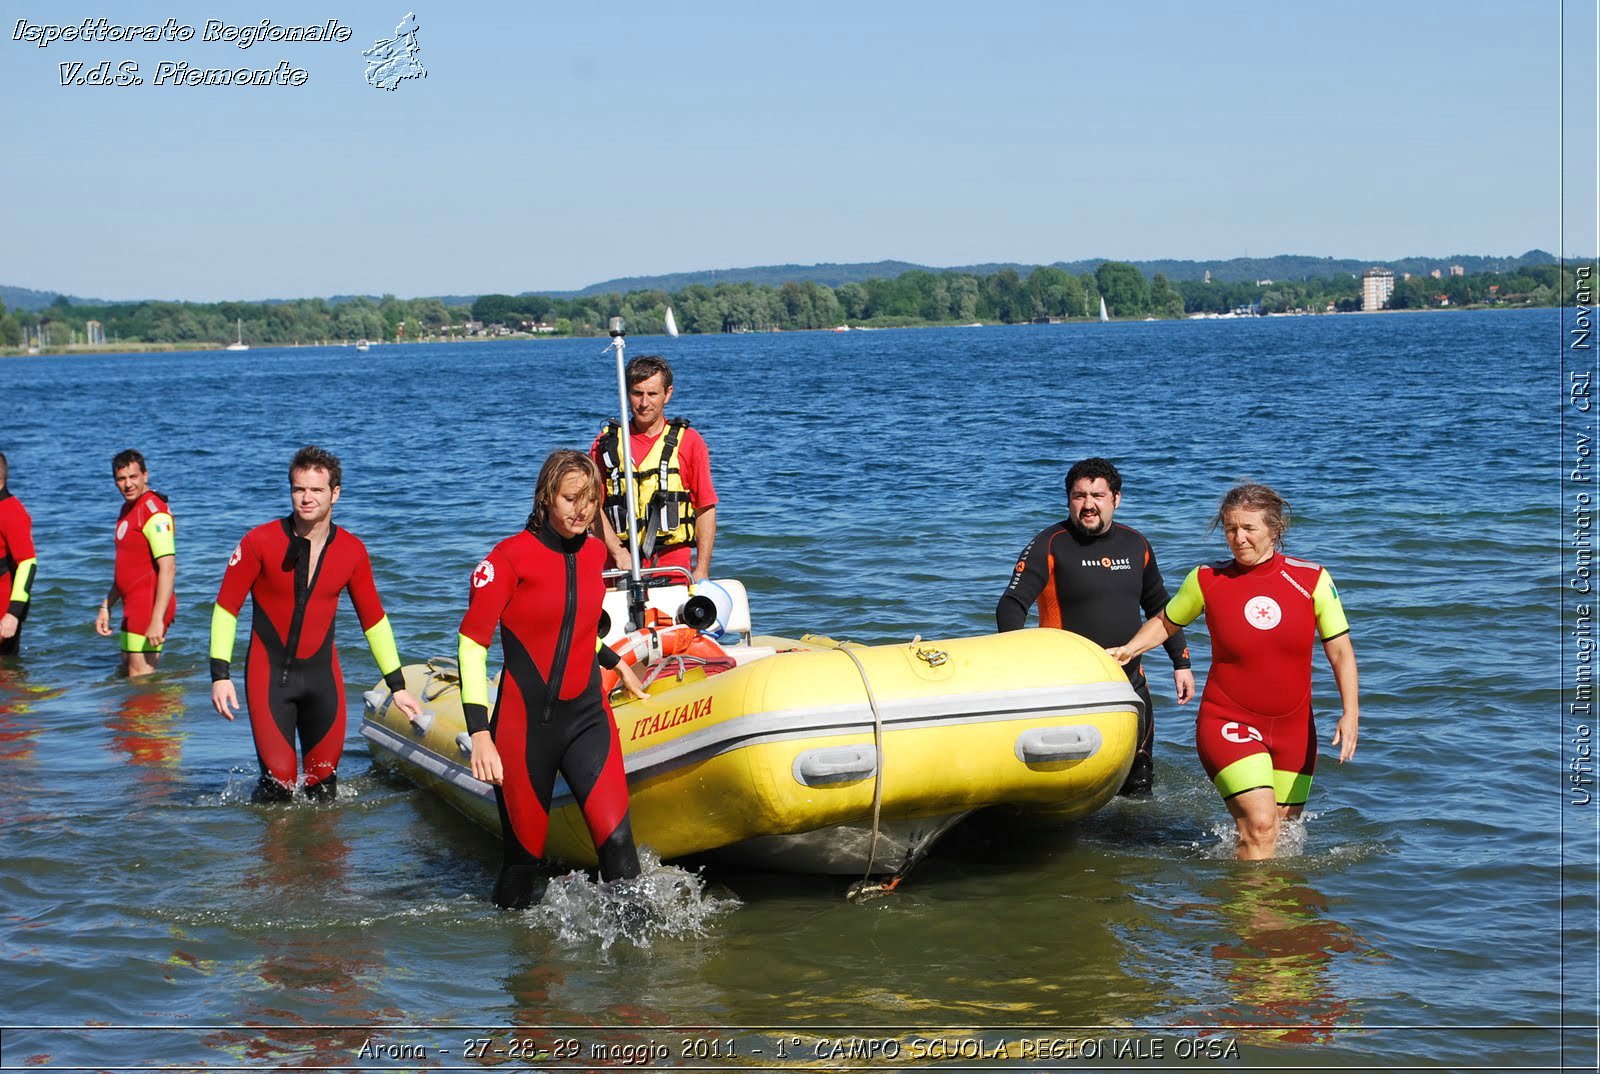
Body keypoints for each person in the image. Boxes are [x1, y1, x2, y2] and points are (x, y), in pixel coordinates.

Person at [1108, 483, 1359, 859]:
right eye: (1230, 528)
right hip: (1229, 719)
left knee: (1281, 834)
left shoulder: (1312, 580)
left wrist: (1350, 713)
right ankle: (1251, 918)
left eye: (1249, 528)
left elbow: (1340, 652)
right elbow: (1166, 621)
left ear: (1274, 530)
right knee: (1260, 825)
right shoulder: (1208, 580)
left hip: (1294, 730)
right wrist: (1130, 649)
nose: (1238, 538)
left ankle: (1258, 910)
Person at [459, 449, 648, 909]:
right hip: (525, 729)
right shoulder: (507, 559)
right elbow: (471, 644)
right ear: (546, 497)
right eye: (569, 498)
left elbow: (576, 628)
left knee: (619, 846)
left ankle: (637, 973)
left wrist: (612, 659)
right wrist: (480, 734)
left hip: (587, 718)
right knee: (523, 862)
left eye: (588, 500)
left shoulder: (595, 554)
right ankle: (519, 965)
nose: (580, 510)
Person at [209, 446, 424, 802]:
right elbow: (225, 608)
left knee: (324, 786)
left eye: (316, 490)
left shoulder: (352, 551)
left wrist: (397, 686)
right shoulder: (258, 542)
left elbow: (374, 620)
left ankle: (323, 858)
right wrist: (220, 675)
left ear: (335, 494)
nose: (306, 498)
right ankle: (270, 856)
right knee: (278, 785)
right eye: (298, 489)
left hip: (323, 679)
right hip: (269, 678)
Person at [997, 457, 1195, 796]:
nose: (1088, 505)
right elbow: (1011, 607)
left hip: (1131, 685)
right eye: (1079, 496)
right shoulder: (1050, 543)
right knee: (1069, 787)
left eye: (1098, 496)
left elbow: (1161, 607)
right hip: (1069, 688)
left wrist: (1181, 662)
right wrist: (1024, 665)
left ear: (1116, 499)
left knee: (1139, 786)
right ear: (1069, 500)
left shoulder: (1136, 544)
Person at [590, 354, 718, 581]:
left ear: (668, 394)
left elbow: (705, 508)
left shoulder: (690, 442)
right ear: (626, 394)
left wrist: (702, 569)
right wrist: (618, 553)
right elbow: (591, 507)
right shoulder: (606, 444)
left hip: (673, 567)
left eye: (652, 394)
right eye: (637, 393)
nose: (644, 403)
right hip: (619, 564)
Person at [95, 449, 176, 677]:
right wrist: (106, 605)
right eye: (121, 479)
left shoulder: (154, 512)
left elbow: (168, 568)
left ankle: (167, 708)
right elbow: (128, 568)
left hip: (149, 605)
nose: (127, 484)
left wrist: (157, 619)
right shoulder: (127, 510)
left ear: (145, 476)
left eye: (133, 477)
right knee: (127, 672)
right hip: (131, 605)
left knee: (140, 683)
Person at [0, 453, 37, 657]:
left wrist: (13, 614)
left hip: (4, 612)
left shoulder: (12, 511)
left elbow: (28, 563)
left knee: (6, 677)